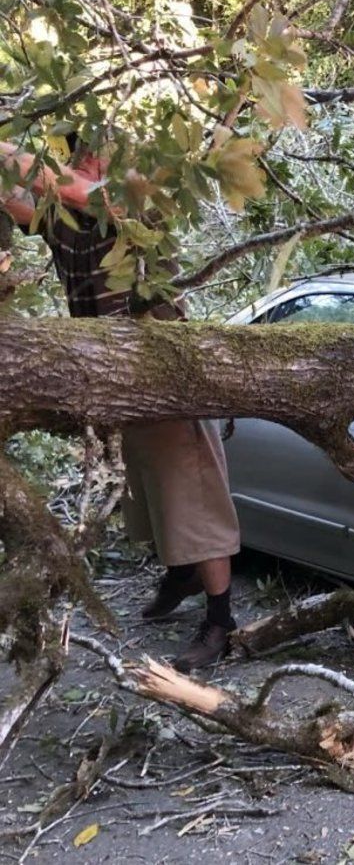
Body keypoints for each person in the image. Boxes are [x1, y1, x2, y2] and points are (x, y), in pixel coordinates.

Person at [0, 137, 241, 672]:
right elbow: (19, 197)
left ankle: (222, 619)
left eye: (101, 151)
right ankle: (180, 574)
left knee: (192, 497)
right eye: (92, 149)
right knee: (148, 492)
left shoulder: (133, 198)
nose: (98, 158)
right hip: (111, 375)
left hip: (163, 371)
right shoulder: (63, 215)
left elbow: (50, 182)